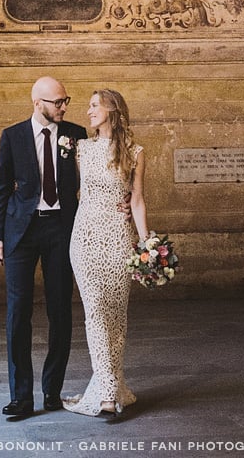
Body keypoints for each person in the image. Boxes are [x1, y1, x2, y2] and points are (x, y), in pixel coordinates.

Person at [0, 76, 87, 420]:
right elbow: (1, 187)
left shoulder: (76, 134)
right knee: (18, 314)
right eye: (57, 101)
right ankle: (20, 396)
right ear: (37, 103)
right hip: (20, 231)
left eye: (66, 101)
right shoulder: (12, 136)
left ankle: (52, 391)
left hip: (61, 230)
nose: (63, 107)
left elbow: (91, 181)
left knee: (60, 310)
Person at [63, 88, 149, 419]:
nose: (88, 112)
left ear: (112, 110)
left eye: (94, 106)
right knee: (96, 311)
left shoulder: (135, 152)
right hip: (84, 238)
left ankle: (109, 385)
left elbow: (138, 200)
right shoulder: (81, 149)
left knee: (116, 316)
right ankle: (108, 393)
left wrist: (146, 244)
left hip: (118, 238)